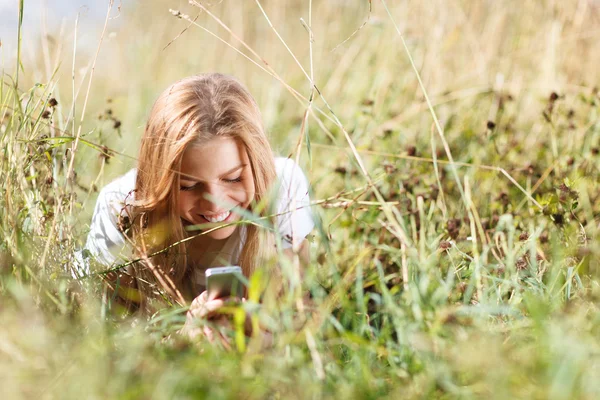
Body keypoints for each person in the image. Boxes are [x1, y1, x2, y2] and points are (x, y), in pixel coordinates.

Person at [75, 73, 314, 342]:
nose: (215, 201)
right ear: (160, 180)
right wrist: (183, 340)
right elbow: (99, 337)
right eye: (188, 185)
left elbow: (300, 322)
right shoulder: (121, 207)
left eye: (233, 178)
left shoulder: (281, 189)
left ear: (257, 164)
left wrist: (260, 338)